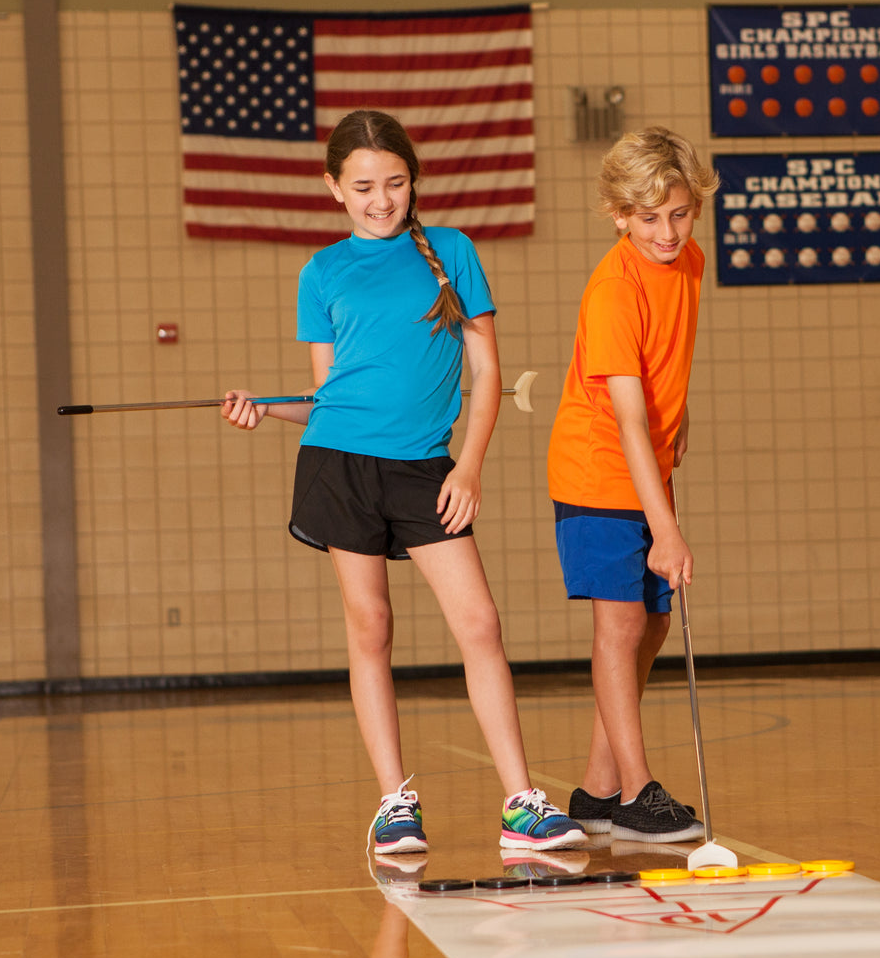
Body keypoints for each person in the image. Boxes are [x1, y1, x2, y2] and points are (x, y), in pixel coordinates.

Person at [223, 108, 585, 858]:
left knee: (480, 623)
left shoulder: (451, 252)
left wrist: (470, 464)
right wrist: (262, 407)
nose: (380, 199)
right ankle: (395, 804)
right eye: (362, 186)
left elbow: (485, 375)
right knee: (372, 629)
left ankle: (521, 803)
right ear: (334, 190)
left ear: (414, 181)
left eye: (393, 183)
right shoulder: (320, 272)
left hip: (429, 469)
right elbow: (327, 398)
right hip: (339, 468)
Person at [547, 127, 719, 843]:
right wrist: (668, 527)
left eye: (678, 213)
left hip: (650, 467)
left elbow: (664, 366)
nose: (667, 231)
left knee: (648, 625)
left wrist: (680, 419)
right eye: (649, 218)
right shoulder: (614, 288)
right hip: (597, 472)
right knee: (619, 627)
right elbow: (621, 415)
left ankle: (597, 792)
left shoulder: (689, 264)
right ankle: (639, 790)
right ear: (619, 214)